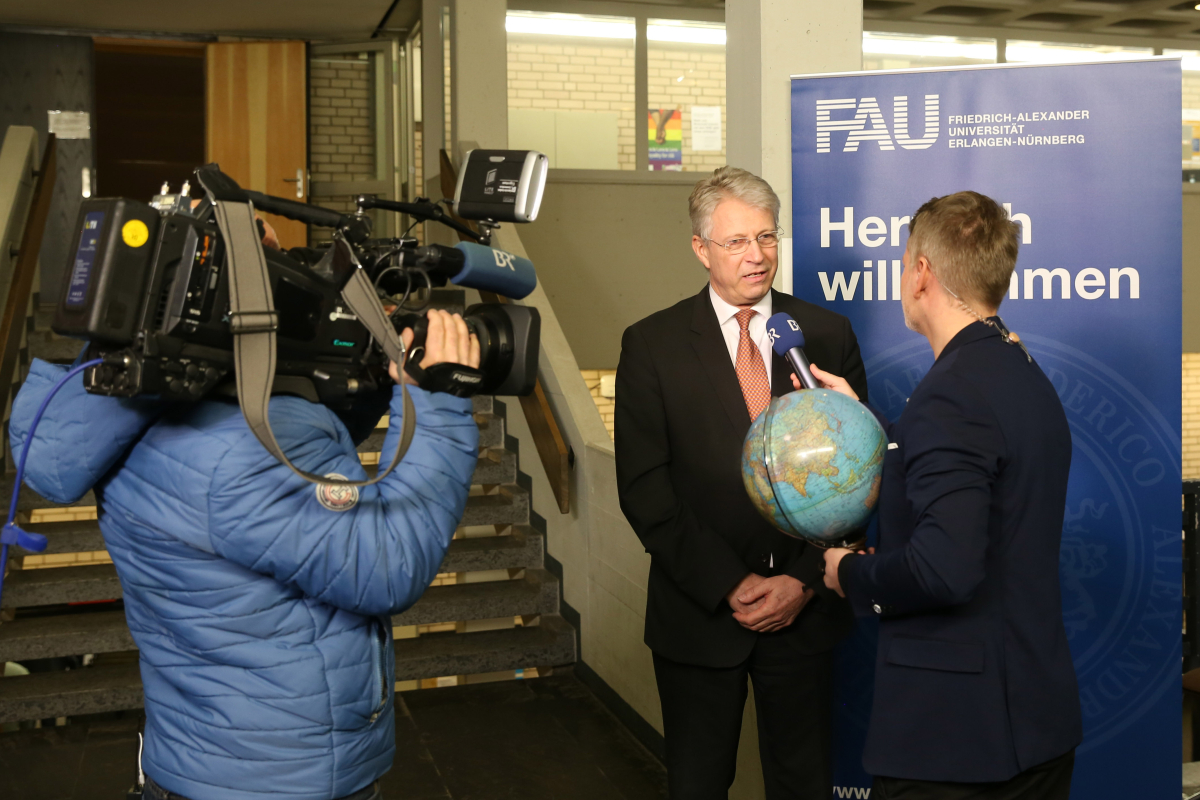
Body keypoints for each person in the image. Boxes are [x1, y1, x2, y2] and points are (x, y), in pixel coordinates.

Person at [8, 310, 482, 800]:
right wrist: (439, 402)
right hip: (282, 776)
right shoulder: (238, 449)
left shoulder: (138, 399)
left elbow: (314, 450)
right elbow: (388, 566)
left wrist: (369, 369)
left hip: (198, 758)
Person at [811, 191, 1082, 800]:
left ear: (922, 273)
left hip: (956, 741)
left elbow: (946, 570)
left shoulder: (949, 395)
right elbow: (979, 492)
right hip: (1033, 721)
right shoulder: (1022, 372)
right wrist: (878, 436)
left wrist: (849, 573)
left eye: (906, 261)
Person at [615, 166, 868, 799]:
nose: (757, 256)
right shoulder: (652, 344)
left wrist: (803, 581)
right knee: (698, 784)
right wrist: (732, 583)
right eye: (736, 242)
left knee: (803, 782)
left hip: (805, 614)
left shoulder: (826, 334)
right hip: (699, 614)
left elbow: (860, 475)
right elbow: (645, 489)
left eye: (768, 237)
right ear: (701, 249)